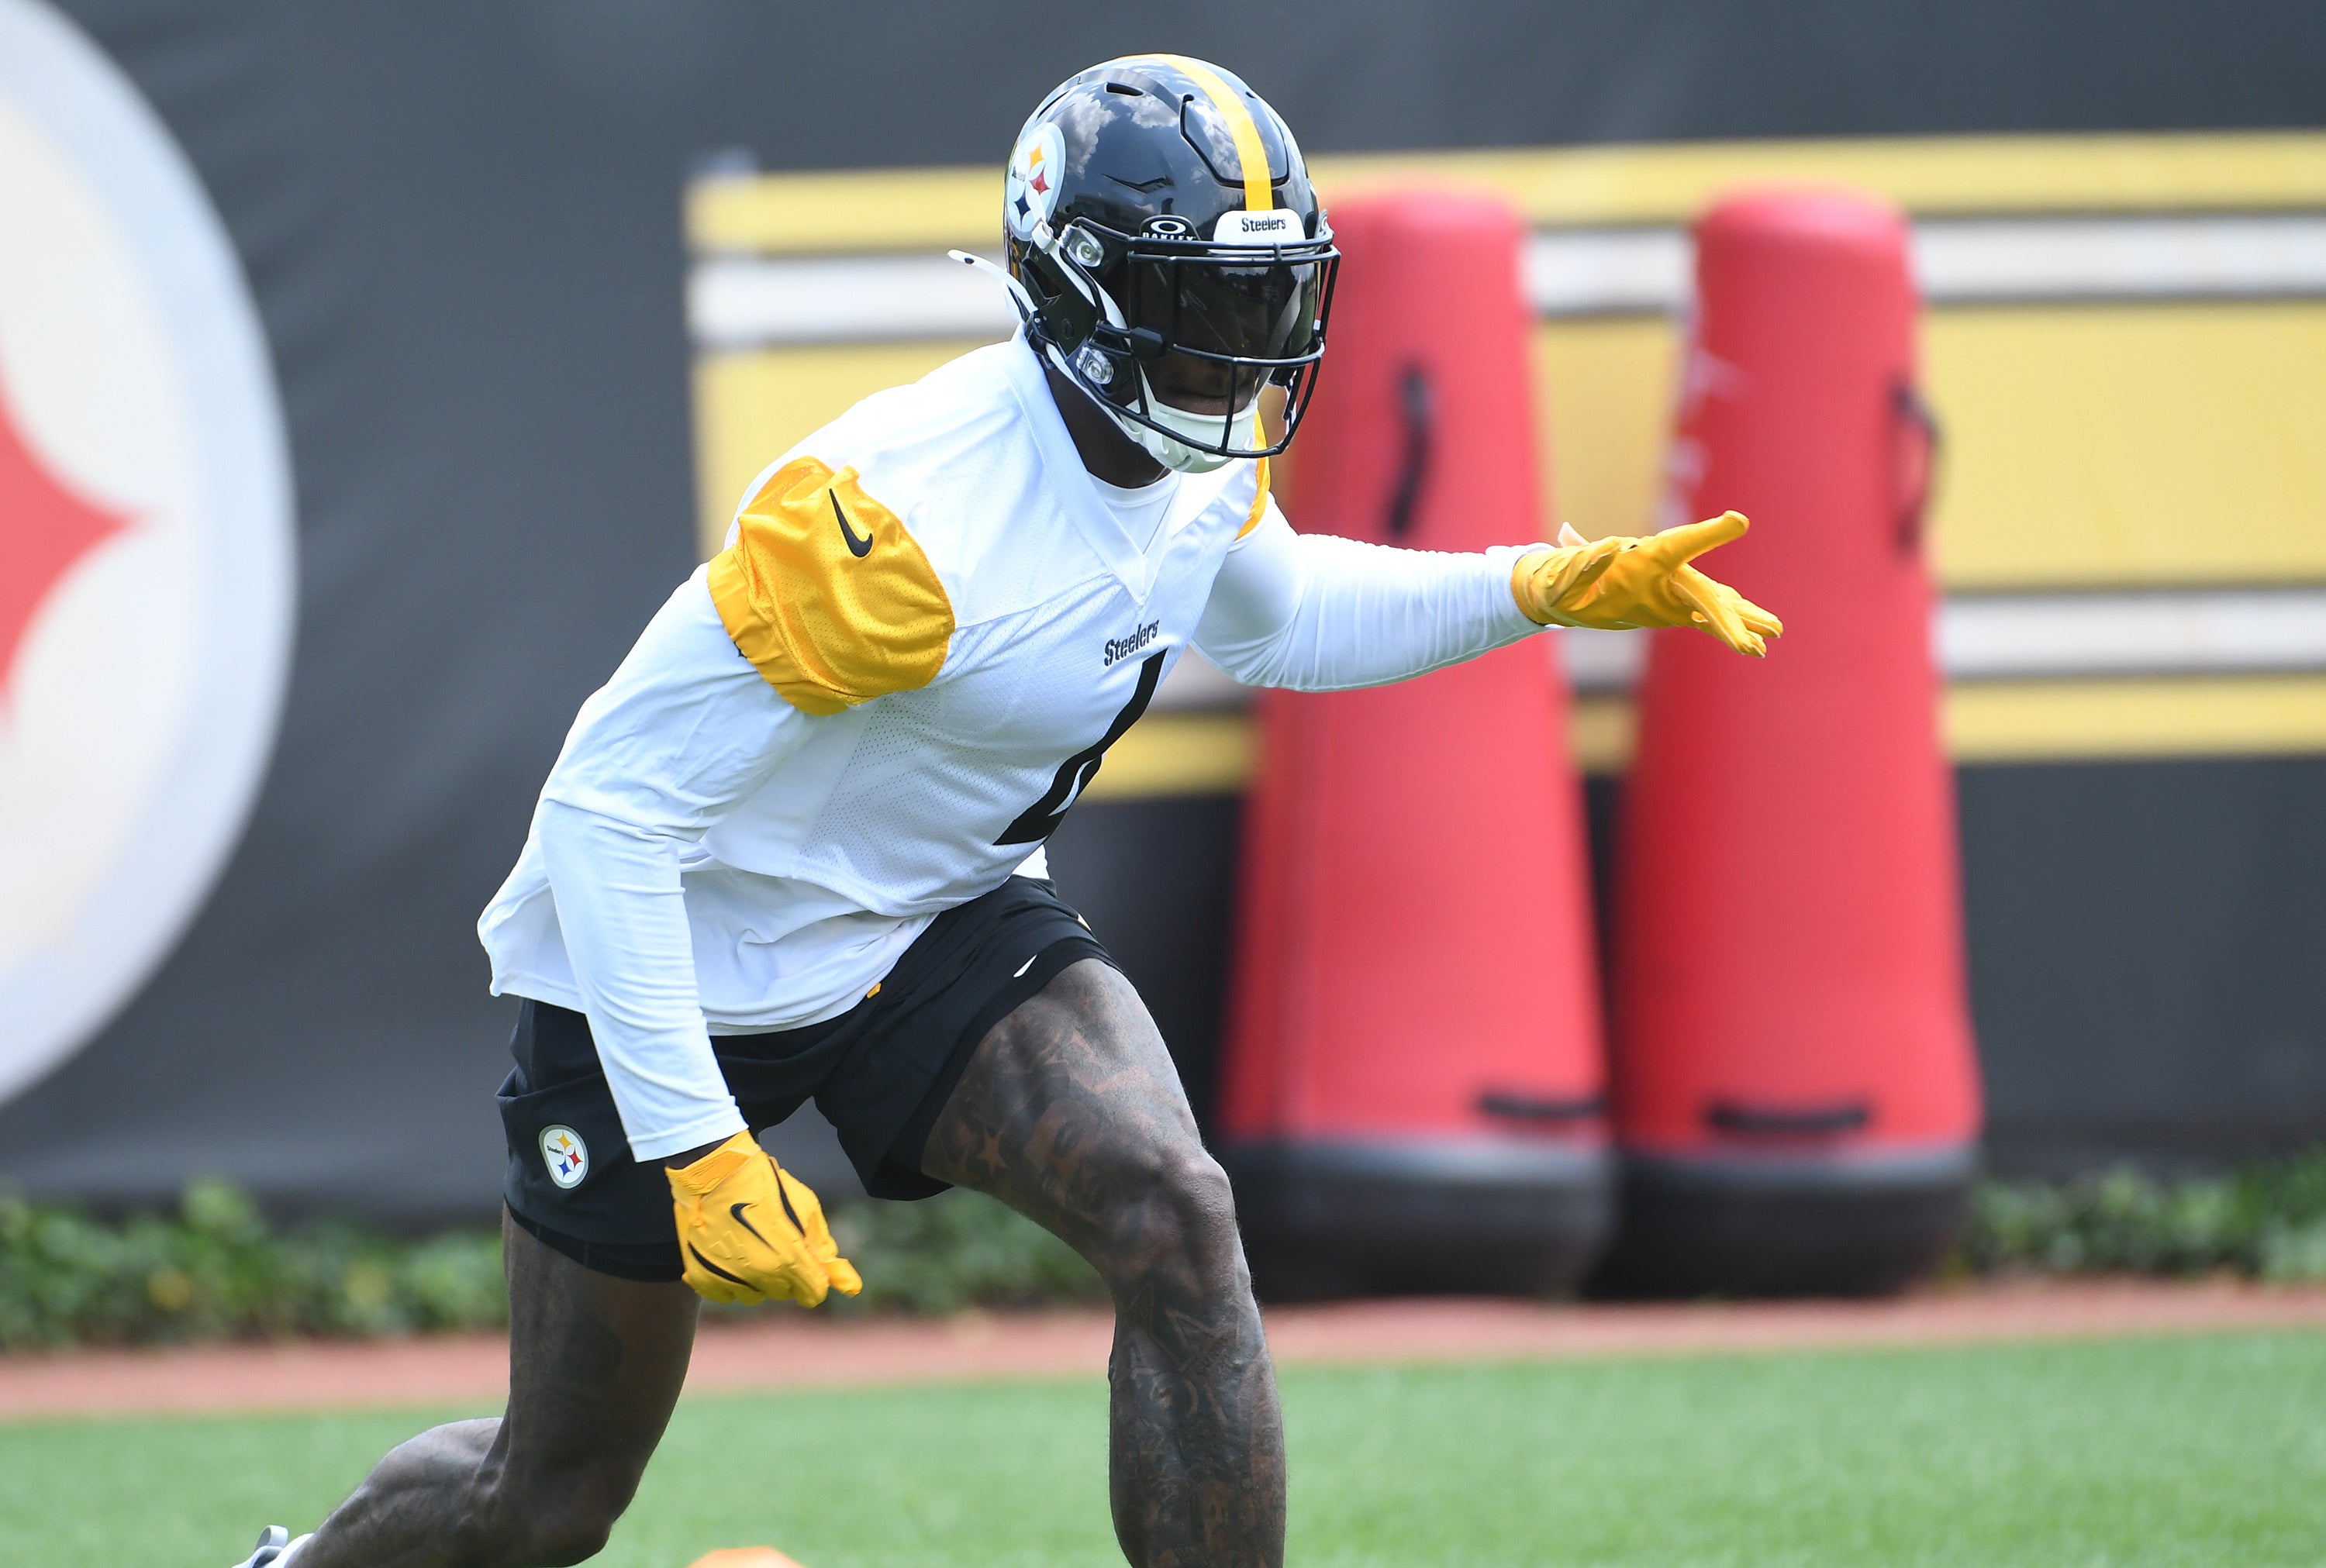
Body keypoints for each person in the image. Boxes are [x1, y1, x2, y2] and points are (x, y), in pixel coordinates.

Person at [233, 53, 1778, 1568]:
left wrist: (1541, 588)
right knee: (549, 1499)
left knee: (1176, 1212)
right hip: (677, 958)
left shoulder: (1181, 465)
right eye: (1210, 305)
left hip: (928, 921)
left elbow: (1280, 614)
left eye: (1270, 300)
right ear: (1085, 297)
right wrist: (695, 1136)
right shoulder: (898, 517)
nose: (1250, 352)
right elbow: (606, 816)